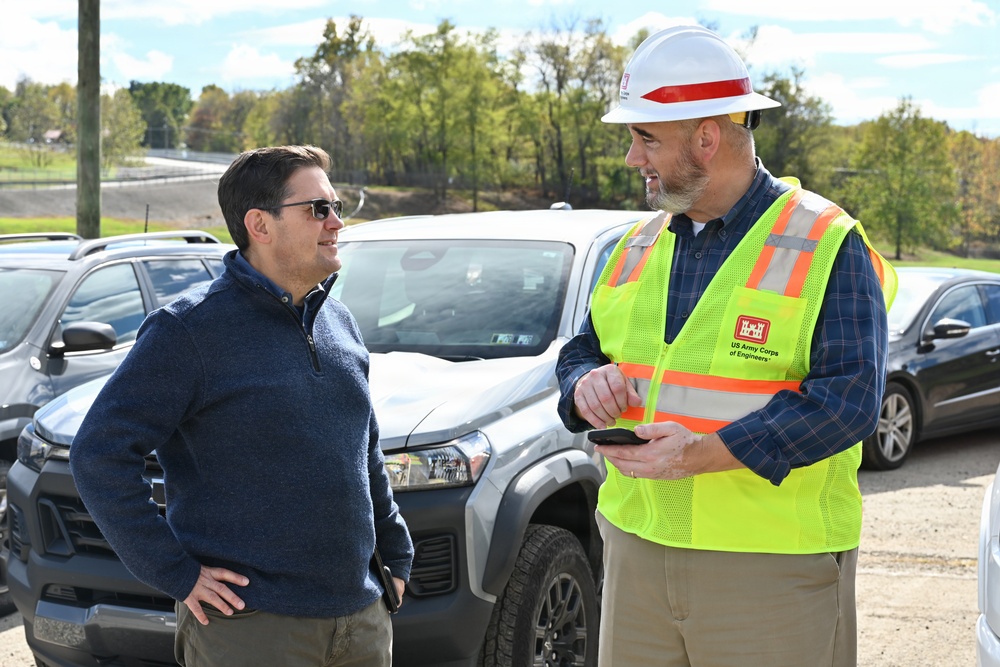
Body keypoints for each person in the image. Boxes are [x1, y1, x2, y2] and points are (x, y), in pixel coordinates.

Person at [555, 26, 896, 667]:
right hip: (634, 550)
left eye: (646, 138)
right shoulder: (635, 245)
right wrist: (582, 383)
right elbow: (583, 349)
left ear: (706, 138)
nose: (632, 158)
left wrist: (704, 454)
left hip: (771, 568)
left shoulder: (827, 240)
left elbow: (848, 401)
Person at [69, 145, 413, 667]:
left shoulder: (339, 321)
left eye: (337, 206)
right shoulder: (188, 331)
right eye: (318, 209)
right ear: (260, 224)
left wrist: (396, 553)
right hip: (250, 629)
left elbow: (362, 449)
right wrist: (175, 572)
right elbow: (99, 454)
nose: (337, 222)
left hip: (362, 618)